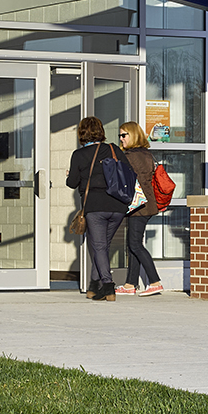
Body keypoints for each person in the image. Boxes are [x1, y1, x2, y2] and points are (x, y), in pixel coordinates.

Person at [66, 116, 128, 300]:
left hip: (95, 206)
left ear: (81, 133)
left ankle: (108, 286)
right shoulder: (113, 149)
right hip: (118, 206)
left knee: (99, 246)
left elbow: (72, 183)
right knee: (103, 246)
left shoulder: (79, 155)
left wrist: (70, 175)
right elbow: (128, 172)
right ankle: (94, 286)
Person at [116, 122, 164, 296]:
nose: (121, 139)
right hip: (146, 204)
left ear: (134, 135)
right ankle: (130, 284)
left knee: (135, 244)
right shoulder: (146, 154)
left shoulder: (131, 156)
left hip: (138, 206)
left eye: (124, 135)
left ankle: (155, 282)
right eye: (120, 135)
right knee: (133, 244)